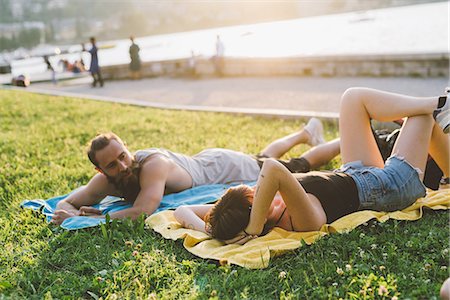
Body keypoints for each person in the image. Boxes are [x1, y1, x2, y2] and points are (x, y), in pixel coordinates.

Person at [174, 88, 449, 243]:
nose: (257, 190)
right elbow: (272, 168)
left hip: (357, 172)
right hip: (391, 185)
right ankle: (439, 109)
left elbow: (182, 210)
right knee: (420, 118)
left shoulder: (248, 208)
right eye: (254, 198)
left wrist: (207, 229)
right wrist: (253, 229)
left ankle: (439, 104)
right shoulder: (299, 219)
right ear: (254, 215)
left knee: (352, 99)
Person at [51, 118, 328, 225]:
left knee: (294, 167)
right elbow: (69, 202)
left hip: (220, 168)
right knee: (263, 158)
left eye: (123, 156)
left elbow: (142, 211)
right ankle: (305, 132)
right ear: (101, 169)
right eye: (112, 165)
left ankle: (332, 138)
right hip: (204, 162)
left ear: (127, 148)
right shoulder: (105, 181)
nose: (122, 166)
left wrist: (99, 214)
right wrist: (70, 211)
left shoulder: (152, 166)